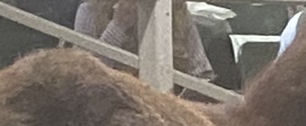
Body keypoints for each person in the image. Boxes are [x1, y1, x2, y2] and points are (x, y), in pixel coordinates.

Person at [74, 0, 222, 90]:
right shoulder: (88, 12)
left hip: (170, 108)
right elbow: (82, 76)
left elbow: (201, 72)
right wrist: (118, 26)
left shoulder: (177, 14)